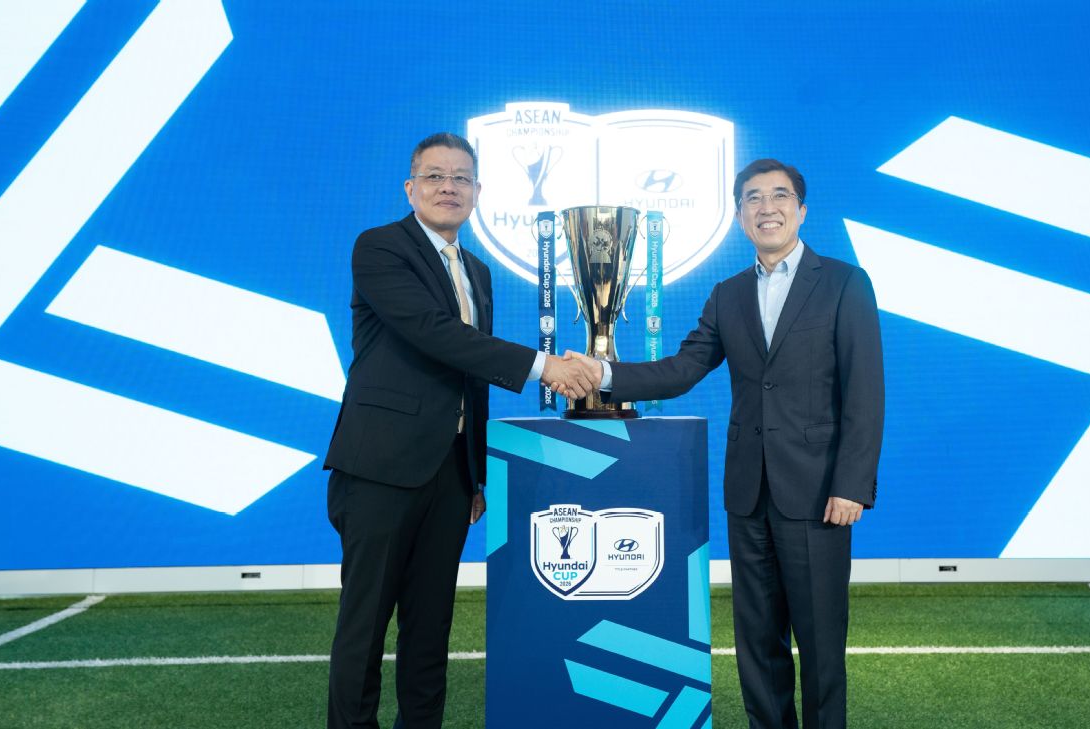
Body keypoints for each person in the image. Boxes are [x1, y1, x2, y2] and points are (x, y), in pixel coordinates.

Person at [576, 158, 884, 728]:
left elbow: (864, 391)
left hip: (819, 495)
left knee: (820, 646)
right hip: (748, 495)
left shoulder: (844, 283)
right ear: (740, 216)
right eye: (753, 199)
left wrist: (852, 486)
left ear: (801, 210)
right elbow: (682, 369)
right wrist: (603, 374)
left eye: (779, 196)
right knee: (757, 644)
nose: (767, 207)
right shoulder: (728, 295)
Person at [322, 132, 597, 729]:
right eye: (434, 177)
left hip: (449, 474)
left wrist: (475, 473)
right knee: (364, 625)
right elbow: (433, 331)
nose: (448, 187)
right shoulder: (380, 248)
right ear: (410, 187)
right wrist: (542, 366)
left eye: (461, 178)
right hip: (380, 467)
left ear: (477, 192)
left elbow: (471, 376)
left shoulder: (476, 269)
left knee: (431, 627)